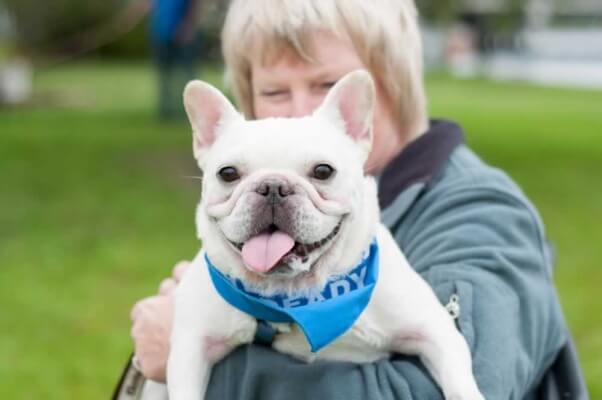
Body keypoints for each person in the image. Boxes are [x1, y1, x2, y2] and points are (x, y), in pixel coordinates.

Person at [129, 0, 586, 398]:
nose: (302, 111)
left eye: (328, 87)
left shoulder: (482, 218)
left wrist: (201, 366)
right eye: (273, 91)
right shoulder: (263, 235)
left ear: (387, 87)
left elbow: (438, 391)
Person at [150, 0, 203, 119]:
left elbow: (195, 6)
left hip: (183, 35)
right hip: (161, 34)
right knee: (164, 75)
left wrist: (188, 27)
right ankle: (166, 111)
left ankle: (191, 110)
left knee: (186, 76)